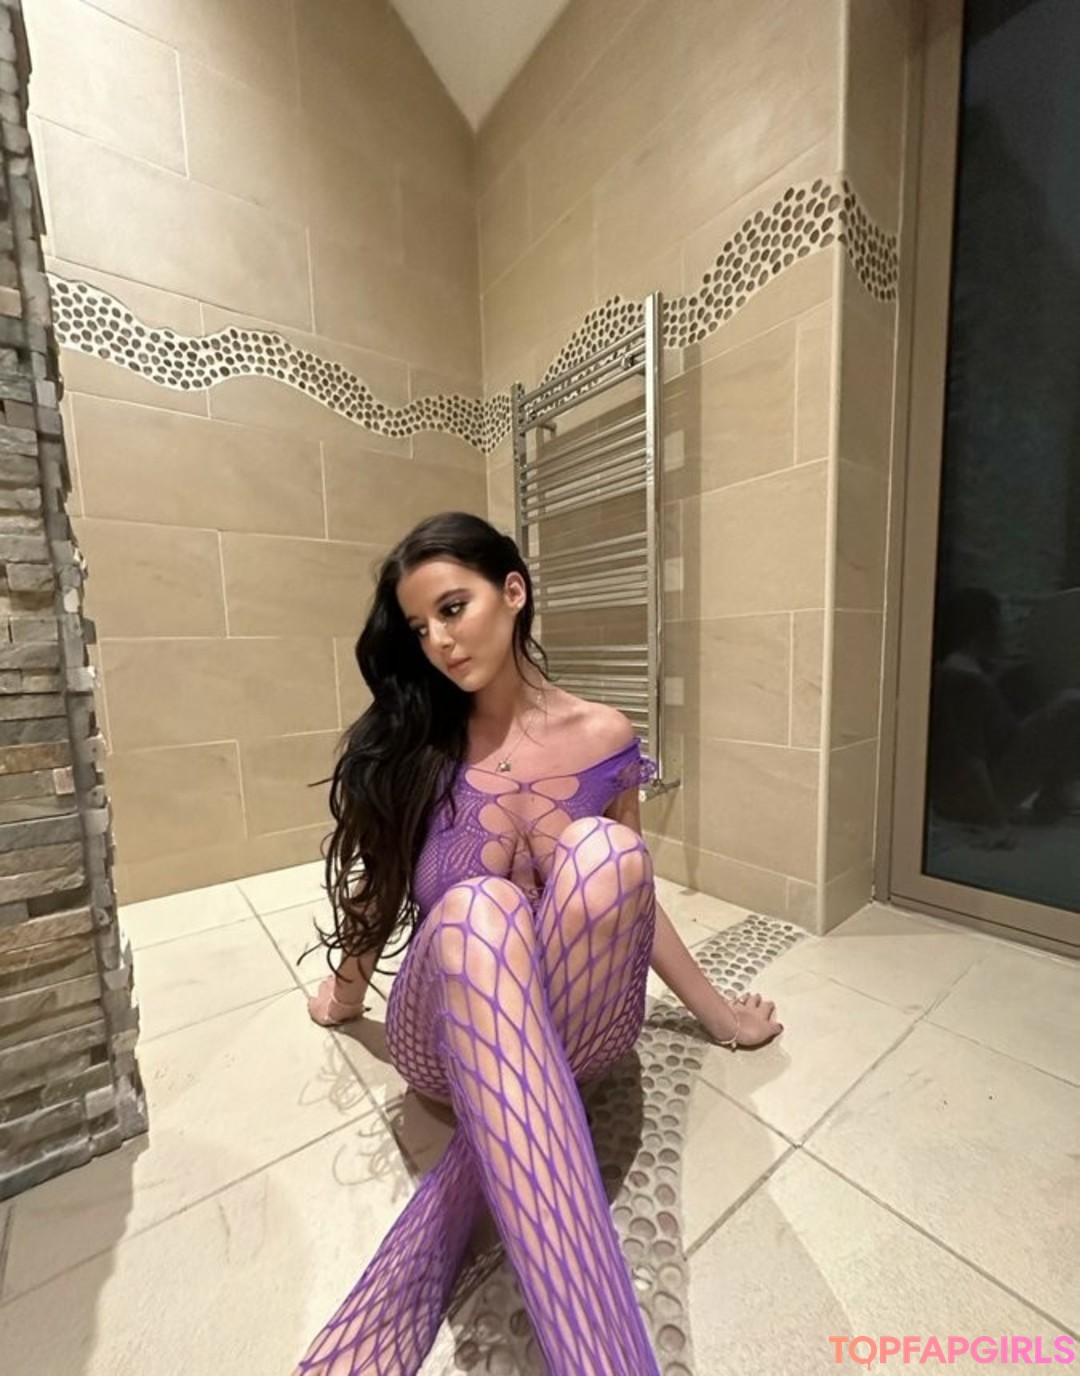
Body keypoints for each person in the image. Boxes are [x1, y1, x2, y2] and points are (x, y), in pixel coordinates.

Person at [297, 512, 783, 1376]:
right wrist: (344, 994)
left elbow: (633, 904)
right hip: (444, 1041)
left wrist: (719, 1017)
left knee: (609, 853)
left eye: (453, 608)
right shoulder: (421, 745)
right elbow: (380, 887)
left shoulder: (604, 737)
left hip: (582, 1027)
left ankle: (509, 1146)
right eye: (420, 626)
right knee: (481, 905)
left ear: (513, 592)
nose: (439, 641)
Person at [929, 587, 1080, 846]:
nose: (1009, 631)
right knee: (1072, 704)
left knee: (1069, 703)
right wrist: (995, 822)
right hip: (973, 800)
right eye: (1003, 623)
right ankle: (1053, 799)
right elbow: (969, 760)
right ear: (982, 630)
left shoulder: (964, 672)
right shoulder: (963, 679)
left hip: (967, 795)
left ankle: (1054, 800)